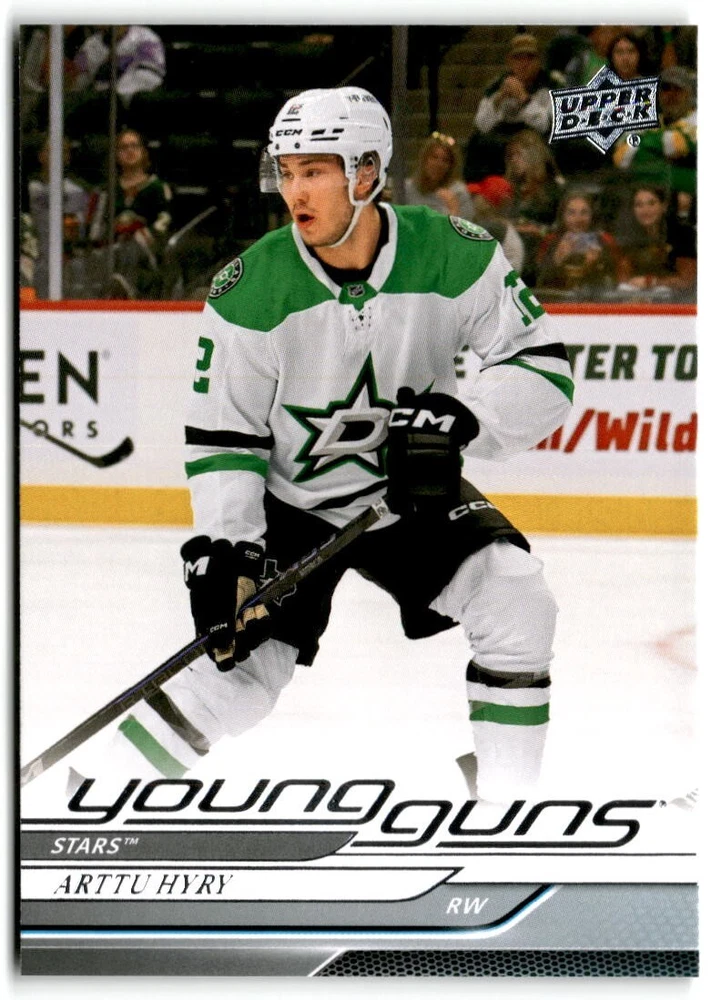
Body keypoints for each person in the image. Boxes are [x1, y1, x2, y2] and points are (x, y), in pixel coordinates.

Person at [80, 87, 573, 808]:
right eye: (286, 172)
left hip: (407, 496)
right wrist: (228, 548)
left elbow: (543, 367)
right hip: (291, 505)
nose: (295, 192)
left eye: (313, 170)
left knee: (516, 599)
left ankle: (507, 804)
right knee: (238, 679)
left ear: (366, 172)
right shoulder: (250, 289)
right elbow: (224, 436)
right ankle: (93, 801)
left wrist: (463, 416)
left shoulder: (454, 253)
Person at [88, 128, 173, 298]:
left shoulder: (157, 188)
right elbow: (96, 227)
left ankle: (127, 292)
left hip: (146, 254)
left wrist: (139, 235)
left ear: (144, 151)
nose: (129, 151)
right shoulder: (107, 190)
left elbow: (164, 221)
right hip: (111, 250)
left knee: (131, 250)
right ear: (116, 155)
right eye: (123, 147)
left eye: (134, 146)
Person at [464, 33, 554, 183]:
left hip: (535, 142)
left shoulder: (551, 86)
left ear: (539, 61)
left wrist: (524, 99)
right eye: (518, 58)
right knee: (477, 142)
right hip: (501, 144)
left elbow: (545, 126)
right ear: (509, 62)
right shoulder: (496, 86)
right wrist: (498, 100)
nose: (524, 64)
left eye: (530, 58)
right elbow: (481, 125)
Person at [612, 65, 697, 221]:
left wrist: (643, 144)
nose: (671, 95)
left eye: (678, 90)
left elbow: (677, 145)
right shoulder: (646, 119)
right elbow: (621, 158)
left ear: (690, 94)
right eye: (665, 89)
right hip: (650, 198)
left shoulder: (697, 119)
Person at [26, 135, 91, 298]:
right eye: (51, 150)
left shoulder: (76, 191)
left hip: (66, 262)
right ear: (41, 155)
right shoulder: (28, 188)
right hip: (33, 257)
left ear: (68, 157)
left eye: (62, 151)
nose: (56, 156)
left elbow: (76, 233)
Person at [503, 129, 565, 285]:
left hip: (540, 247)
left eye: (518, 155)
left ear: (533, 155)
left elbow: (560, 226)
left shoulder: (553, 189)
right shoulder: (510, 189)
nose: (514, 160)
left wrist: (535, 230)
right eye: (511, 156)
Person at [615, 184, 696, 295]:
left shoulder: (683, 234)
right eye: (639, 205)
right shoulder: (630, 236)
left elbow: (687, 281)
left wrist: (652, 282)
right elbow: (623, 278)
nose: (645, 210)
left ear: (664, 206)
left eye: (651, 203)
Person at [536, 191, 621, 293]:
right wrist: (557, 260)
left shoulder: (604, 240)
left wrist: (594, 266)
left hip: (593, 298)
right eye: (571, 213)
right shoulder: (551, 240)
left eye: (584, 213)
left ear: (592, 215)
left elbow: (614, 281)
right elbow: (539, 283)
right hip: (558, 298)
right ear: (563, 215)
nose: (578, 219)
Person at [404, 132, 475, 219]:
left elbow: (466, 224)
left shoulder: (459, 192)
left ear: (451, 166)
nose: (439, 164)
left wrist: (453, 209)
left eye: (445, 160)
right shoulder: (408, 188)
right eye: (434, 157)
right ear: (425, 159)